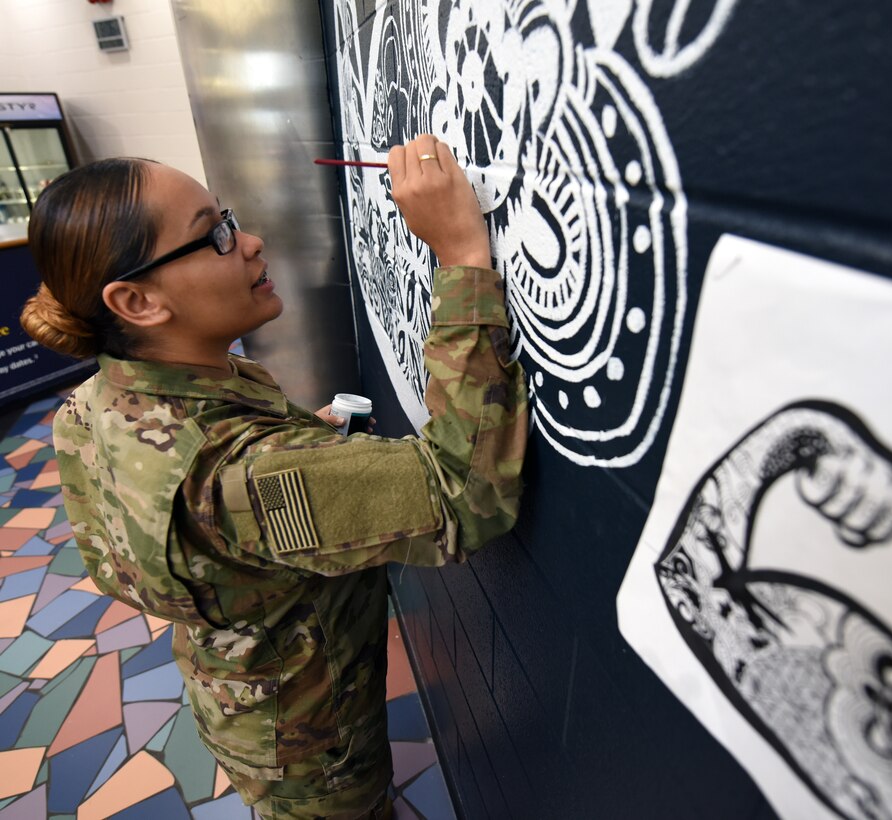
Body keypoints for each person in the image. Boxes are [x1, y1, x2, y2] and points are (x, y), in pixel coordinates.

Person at [20, 135, 528, 820]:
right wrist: (462, 257)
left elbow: (127, 550)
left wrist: (283, 479)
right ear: (137, 303)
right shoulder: (244, 476)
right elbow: (465, 496)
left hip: (232, 694)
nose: (252, 241)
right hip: (310, 746)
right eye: (217, 235)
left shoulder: (98, 402)